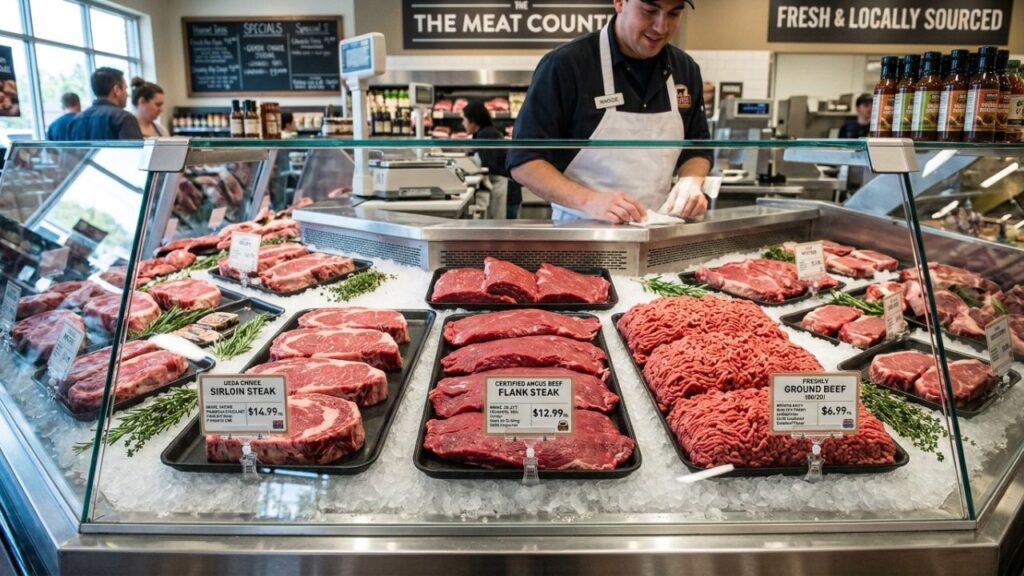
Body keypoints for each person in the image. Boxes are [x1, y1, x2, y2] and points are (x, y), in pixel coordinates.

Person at [508, 0, 710, 224]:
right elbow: (524, 161)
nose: (661, 27)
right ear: (619, 3)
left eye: (673, 14)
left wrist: (691, 180)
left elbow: (697, 149)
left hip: (660, 231)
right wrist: (589, 201)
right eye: (649, 11)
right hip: (582, 235)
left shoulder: (686, 69)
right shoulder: (567, 64)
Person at [462, 100, 512, 219]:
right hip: (498, 187)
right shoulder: (483, 133)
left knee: (503, 230)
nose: (462, 123)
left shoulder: (487, 135)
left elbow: (489, 165)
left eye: (464, 119)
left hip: (503, 189)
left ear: (473, 121)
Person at [67, 67, 143, 140]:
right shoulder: (124, 118)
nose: (127, 94)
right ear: (116, 90)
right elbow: (136, 152)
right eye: (125, 88)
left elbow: (72, 152)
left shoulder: (76, 120)